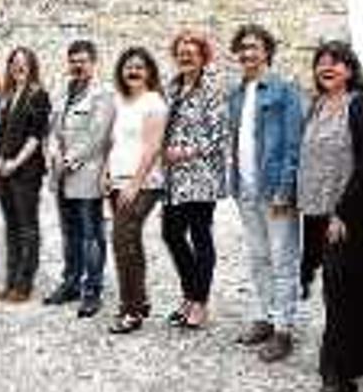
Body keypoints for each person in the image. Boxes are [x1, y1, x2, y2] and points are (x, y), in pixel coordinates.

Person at [297, 41, 363, 392]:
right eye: (321, 63)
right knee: (343, 290)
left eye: (336, 63)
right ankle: (350, 365)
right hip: (318, 213)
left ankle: (334, 371)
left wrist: (344, 213)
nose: (327, 68)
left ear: (350, 70)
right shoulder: (317, 106)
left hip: (353, 216)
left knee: (343, 290)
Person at [227, 24, 304, 362]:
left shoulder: (284, 91)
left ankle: (284, 329)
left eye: (254, 47)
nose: (247, 53)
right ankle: (265, 316)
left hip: (274, 191)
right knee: (258, 257)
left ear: (267, 51)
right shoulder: (237, 93)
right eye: (242, 48)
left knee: (283, 259)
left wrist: (285, 190)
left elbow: (293, 145)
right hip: (246, 188)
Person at [161, 31, 227, 329]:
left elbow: (219, 135)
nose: (186, 56)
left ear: (203, 56)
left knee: (200, 237)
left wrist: (185, 152)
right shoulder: (171, 87)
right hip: (174, 178)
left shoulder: (211, 89)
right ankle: (190, 293)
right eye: (181, 51)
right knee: (171, 234)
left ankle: (199, 303)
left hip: (201, 175)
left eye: (192, 51)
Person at [45, 40, 115, 317]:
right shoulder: (64, 92)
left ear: (93, 62)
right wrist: (53, 151)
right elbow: (53, 128)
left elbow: (98, 134)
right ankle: (71, 281)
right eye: (73, 60)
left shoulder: (103, 93)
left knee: (91, 235)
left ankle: (92, 290)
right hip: (61, 175)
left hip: (86, 174)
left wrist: (71, 158)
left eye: (83, 60)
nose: (77, 65)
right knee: (69, 233)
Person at [105, 46, 167, 334]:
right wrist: (107, 173)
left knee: (121, 240)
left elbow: (153, 147)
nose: (133, 71)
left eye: (139, 67)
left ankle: (131, 311)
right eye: (128, 66)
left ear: (149, 72)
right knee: (130, 241)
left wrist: (135, 183)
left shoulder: (154, 102)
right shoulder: (120, 101)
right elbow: (114, 142)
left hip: (143, 182)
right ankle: (139, 299)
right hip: (117, 180)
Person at [0, 47, 51, 303]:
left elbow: (36, 136)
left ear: (32, 66)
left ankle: (24, 283)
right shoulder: (5, 96)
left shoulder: (38, 95)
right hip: (2, 168)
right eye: (14, 62)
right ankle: (11, 280)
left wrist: (15, 163)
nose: (19, 67)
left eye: (24, 63)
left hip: (25, 170)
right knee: (11, 226)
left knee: (27, 227)